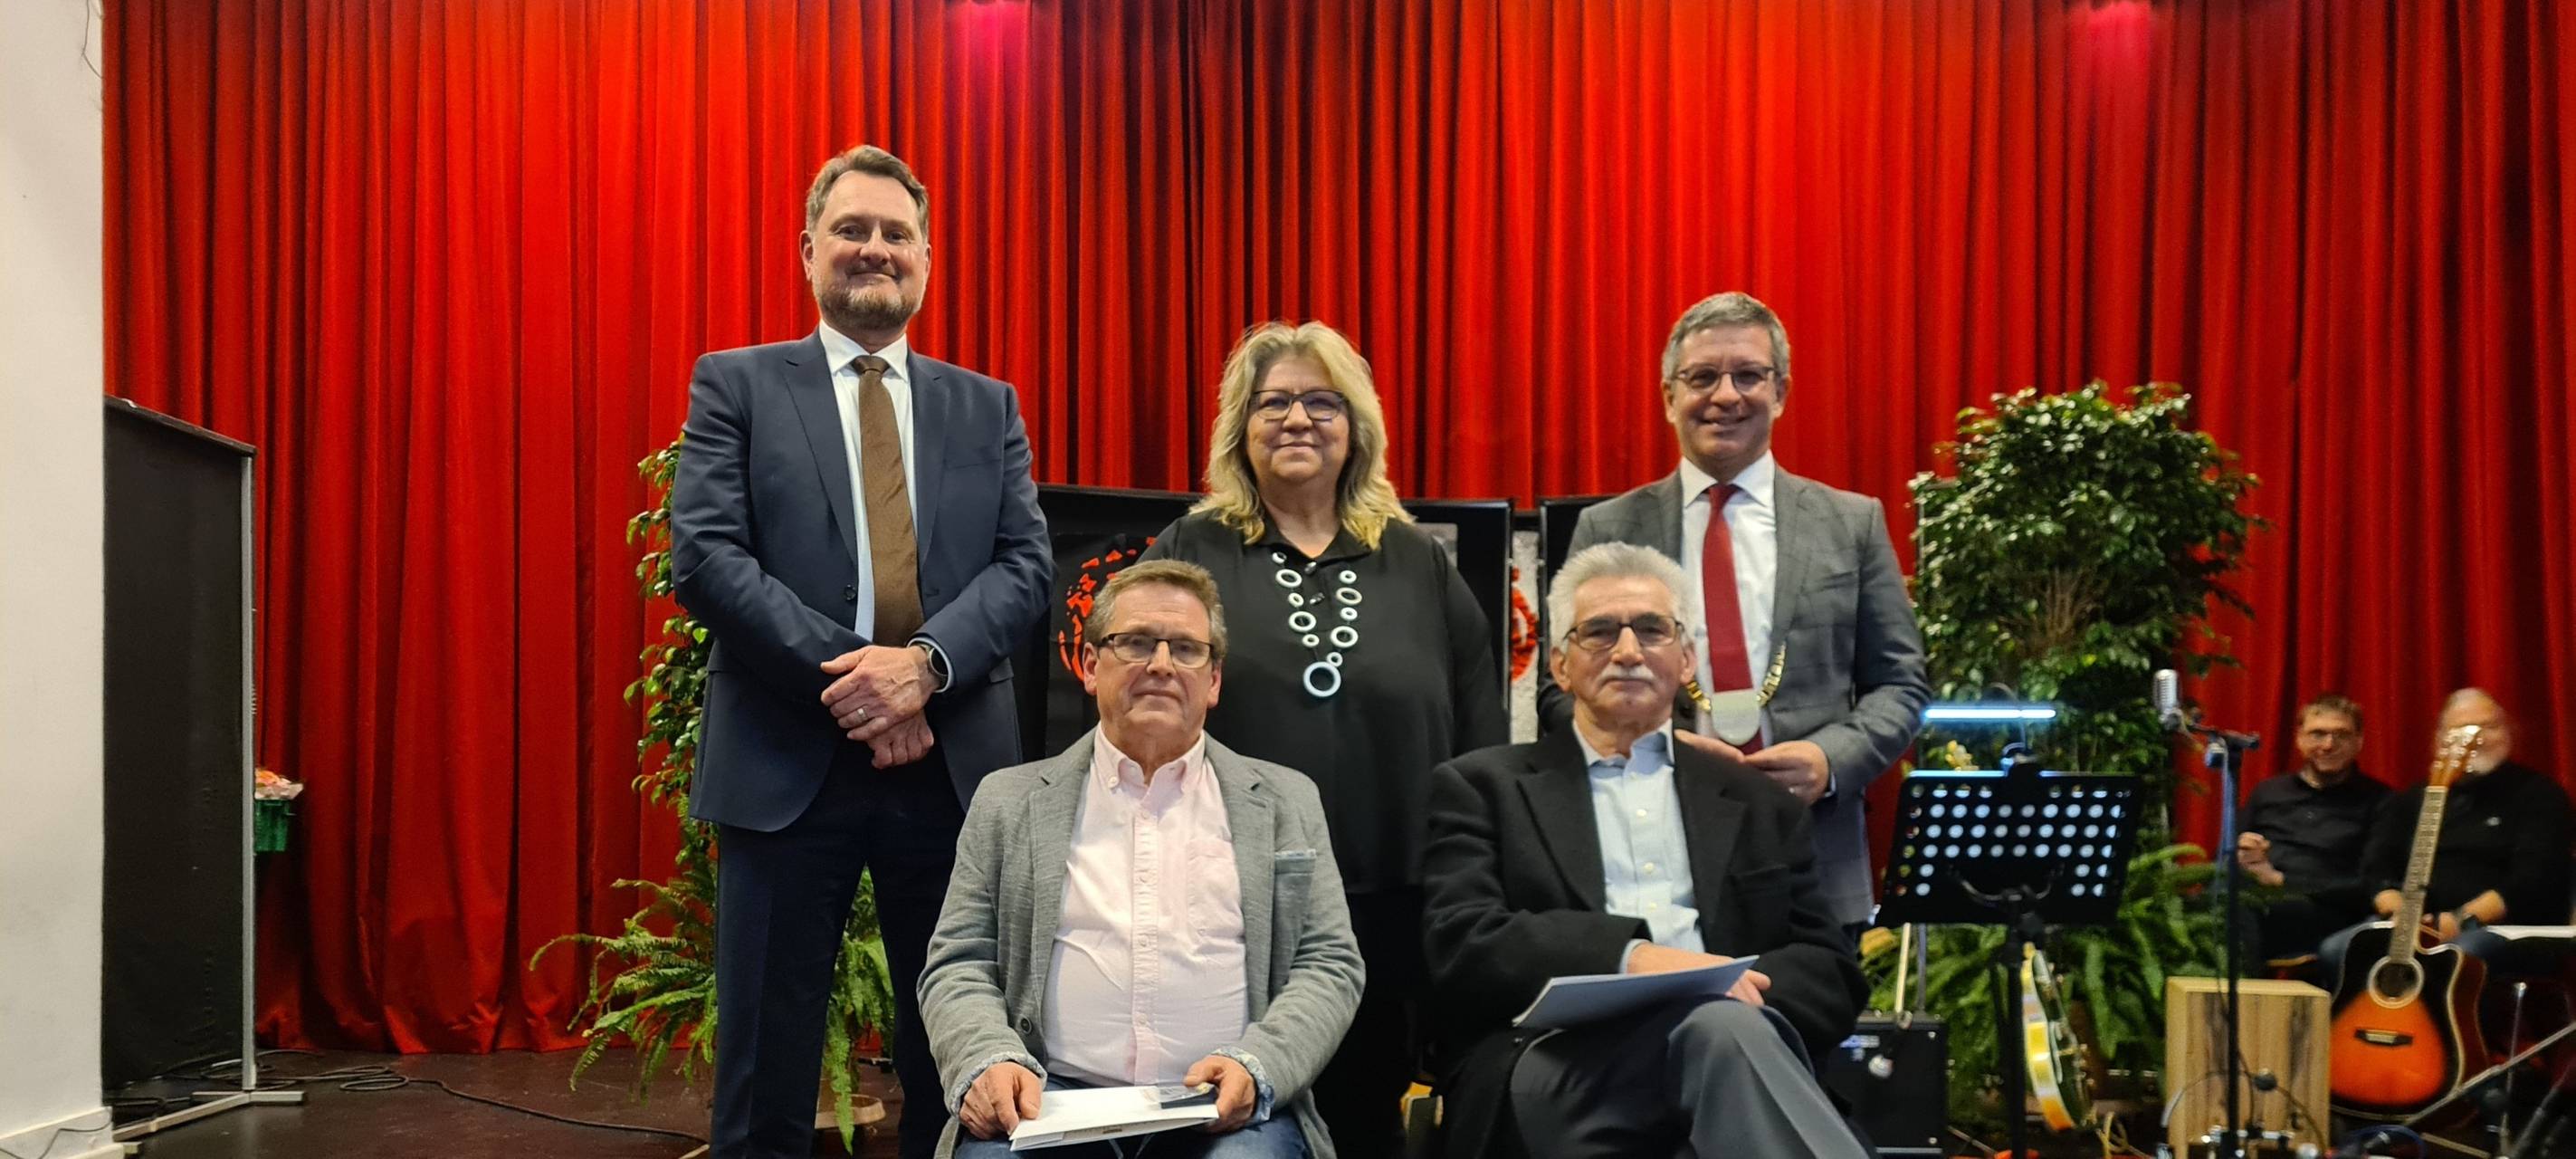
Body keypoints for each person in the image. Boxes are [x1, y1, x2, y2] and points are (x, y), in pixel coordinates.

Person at [672, 144, 1052, 1158]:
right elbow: (705, 557)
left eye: (896, 233)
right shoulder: (738, 385)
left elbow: (1024, 567)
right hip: (784, 759)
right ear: (807, 251)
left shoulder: (988, 404)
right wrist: (861, 682)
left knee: (958, 1052)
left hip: (953, 767)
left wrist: (922, 667)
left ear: (927, 259)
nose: (873, 248)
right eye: (852, 229)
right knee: (765, 1062)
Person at [1139, 321, 1505, 1154]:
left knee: (1370, 1115)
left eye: (1320, 402)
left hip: (1398, 906)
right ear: (1241, 427)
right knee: (1244, 1121)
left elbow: (1481, 734)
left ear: (1357, 427)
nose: (1296, 418)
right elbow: (1137, 713)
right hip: (1230, 906)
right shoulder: (1189, 552)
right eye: (1273, 403)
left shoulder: (1419, 562)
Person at [1424, 542, 1870, 1159]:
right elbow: (1462, 948)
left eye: (1651, 630)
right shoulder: (1481, 788)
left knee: (1718, 1030)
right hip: (1554, 1066)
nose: (1627, 652)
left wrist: (1720, 983)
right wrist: (1634, 958)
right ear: (1560, 664)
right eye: (1600, 632)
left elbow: (1831, 974)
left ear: (1687, 659)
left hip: (1729, 1050)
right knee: (1723, 1032)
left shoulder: (1758, 802)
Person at [919, 560, 1366, 1159]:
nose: (1159, 665)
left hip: (1224, 1112)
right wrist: (986, 1058)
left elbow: (1330, 964)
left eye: (1185, 648)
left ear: (1213, 680)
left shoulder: (1285, 802)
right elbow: (959, 963)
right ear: (1089, 664)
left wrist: (1258, 1066)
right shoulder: (1009, 802)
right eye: (1134, 643)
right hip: (1049, 1101)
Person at [1543, 292, 1929, 935]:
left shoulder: (1851, 523)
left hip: (1813, 849)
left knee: (1810, 1032)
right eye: (1702, 377)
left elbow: (1902, 683)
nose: (1726, 395)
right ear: (1669, 397)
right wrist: (1653, 747)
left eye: (1748, 375)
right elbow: (1561, 694)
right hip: (1648, 851)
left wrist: (1831, 760)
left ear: (1780, 392)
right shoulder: (1608, 528)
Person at [2332, 689, 2572, 979]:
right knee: (2338, 950)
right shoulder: (2414, 798)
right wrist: (2401, 914)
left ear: (2509, 734)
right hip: (2413, 922)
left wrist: (2461, 920)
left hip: (2501, 927)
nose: (2474, 738)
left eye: (2488, 726)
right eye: (2460, 730)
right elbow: (2377, 866)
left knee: (2457, 957)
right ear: (2440, 740)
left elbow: (2534, 878)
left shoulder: (2540, 795)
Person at [2237, 693, 2389, 959]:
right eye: (2317, 734)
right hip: (2254, 895)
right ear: (2299, 739)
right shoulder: (2269, 792)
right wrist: (2243, 856)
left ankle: (2243, 998)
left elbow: (2369, 887)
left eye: (2341, 735)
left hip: (2326, 912)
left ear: (2359, 741)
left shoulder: (2380, 801)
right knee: (2201, 903)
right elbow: (2221, 856)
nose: (2329, 745)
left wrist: (2281, 880)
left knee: (2238, 911)